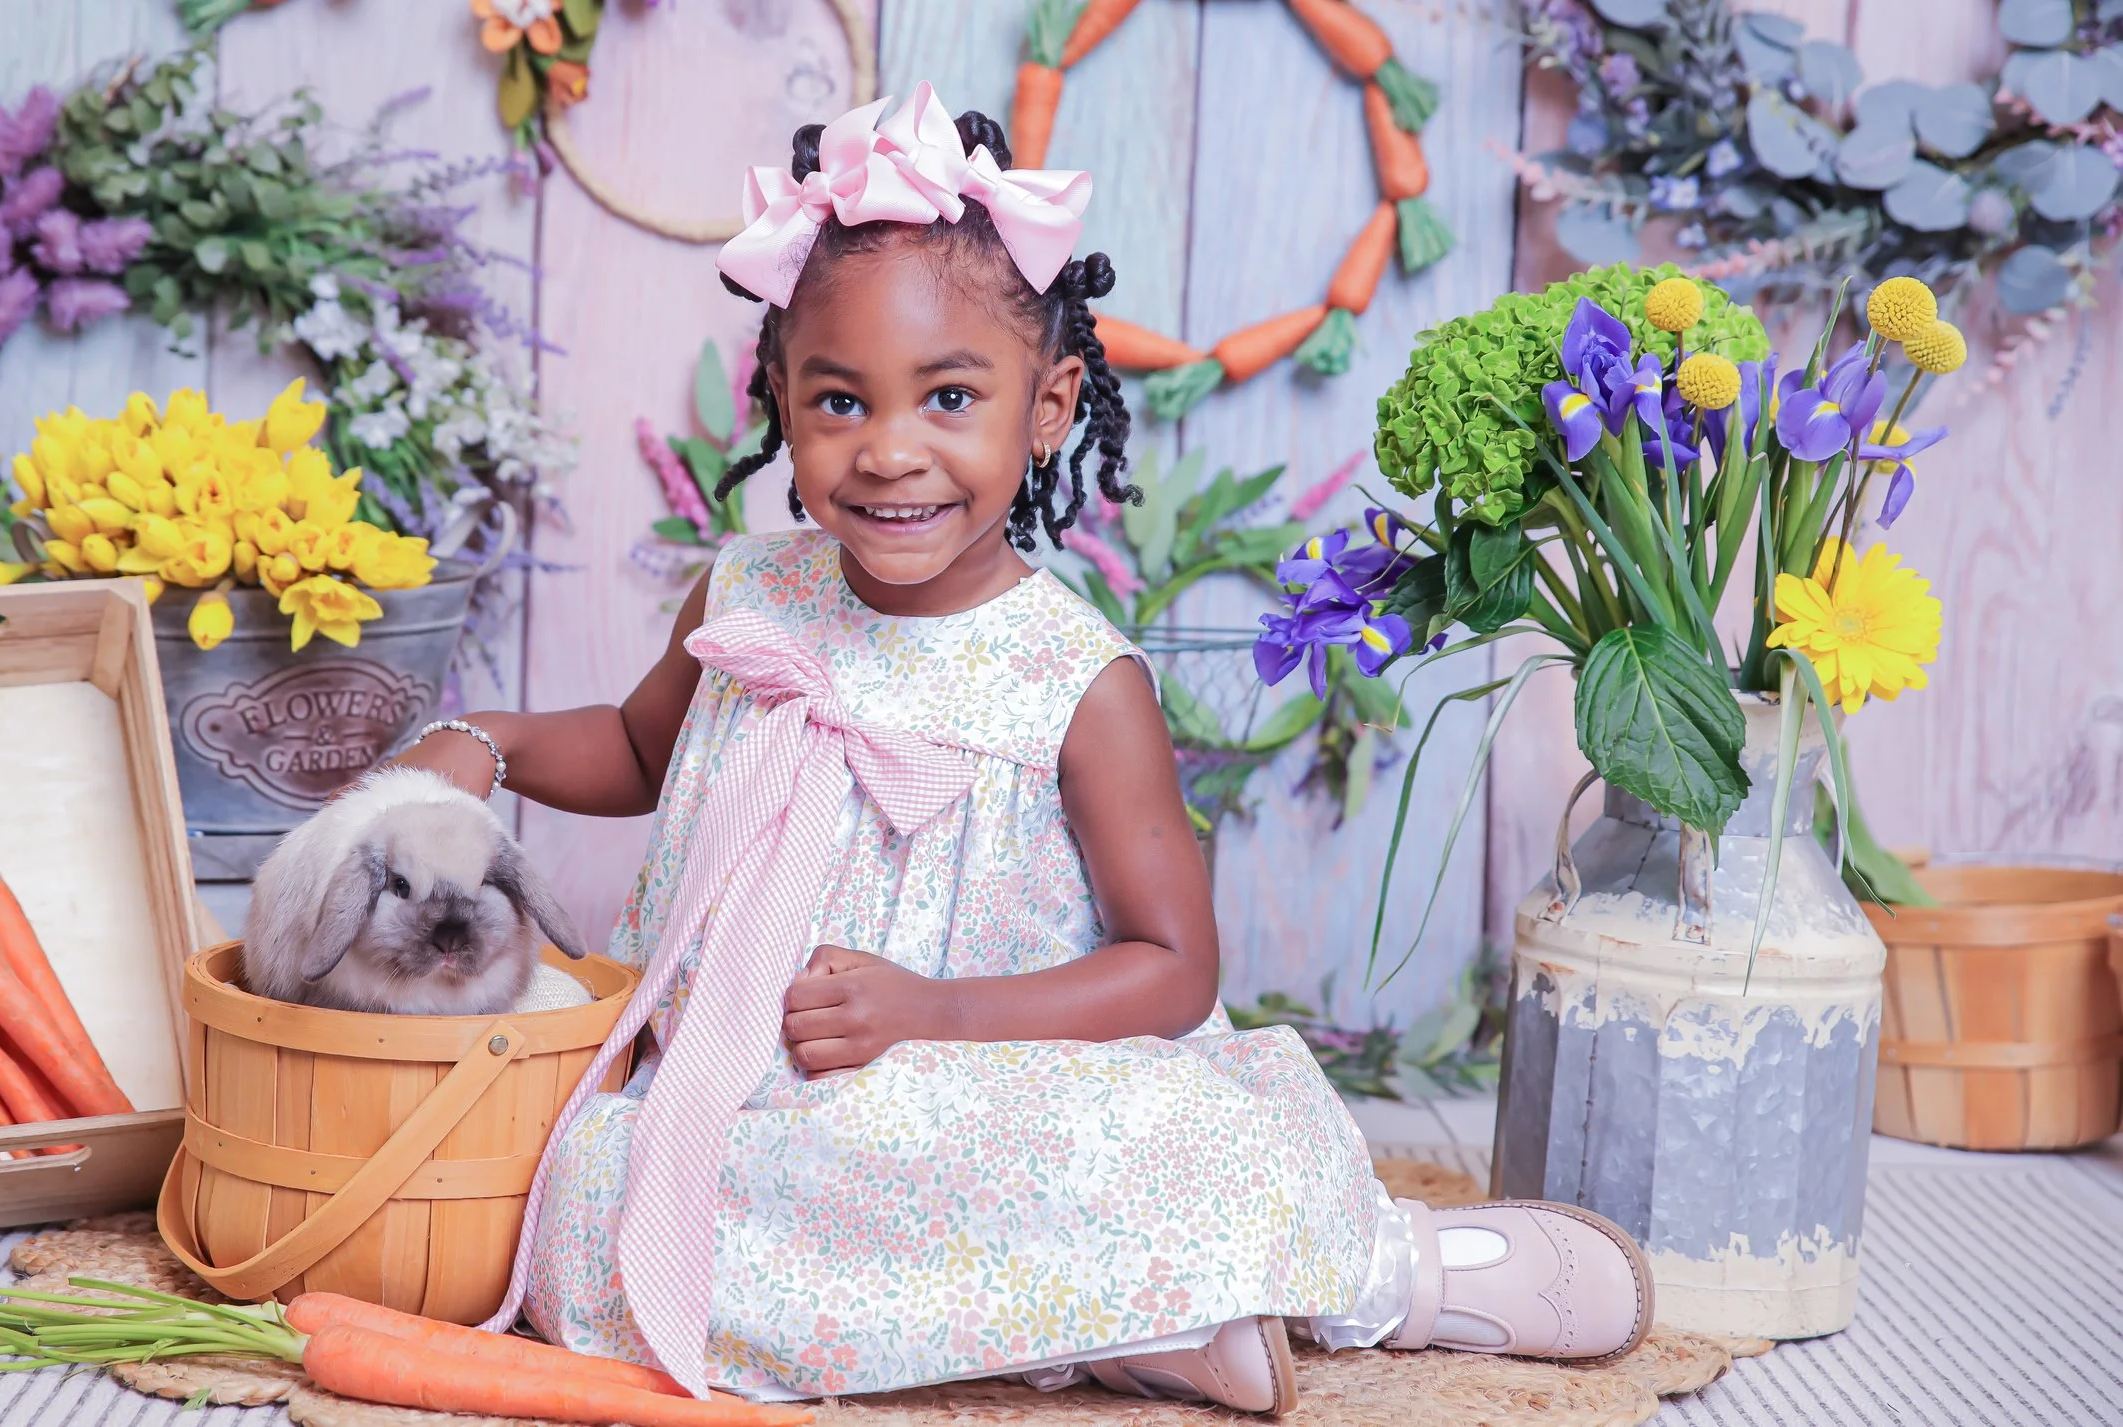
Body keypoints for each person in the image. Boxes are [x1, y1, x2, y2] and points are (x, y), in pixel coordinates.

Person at [391, 84, 1651, 1414]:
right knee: (596, 1191)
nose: (889, 453)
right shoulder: (747, 594)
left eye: (948, 396)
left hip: (993, 1081)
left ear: (1048, 407)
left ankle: (1400, 1272)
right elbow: (640, 749)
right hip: (758, 1096)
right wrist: (490, 741)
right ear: (780, 395)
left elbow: (1172, 971)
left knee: (1176, 1141)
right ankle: (1121, 1317)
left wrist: (931, 1016)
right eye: (837, 400)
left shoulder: (1074, 677)